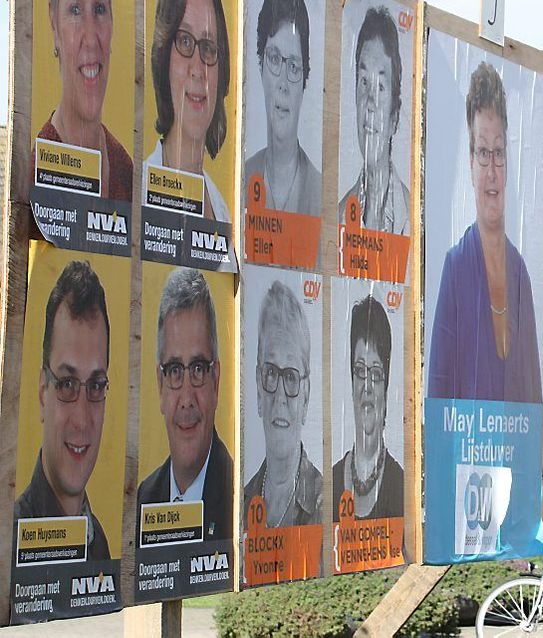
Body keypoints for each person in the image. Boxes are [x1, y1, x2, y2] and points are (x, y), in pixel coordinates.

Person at [427, 61, 542, 404]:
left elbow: (533, 400)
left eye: (499, 153)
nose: (492, 171)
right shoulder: (457, 267)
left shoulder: (519, 273)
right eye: (482, 153)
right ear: (470, 162)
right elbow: (437, 396)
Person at [15, 261, 112, 560]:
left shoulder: (98, 542)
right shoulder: (11, 538)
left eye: (96, 385)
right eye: (67, 384)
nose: (82, 420)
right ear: (43, 391)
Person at [138, 268, 233, 542]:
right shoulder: (145, 497)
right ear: (160, 385)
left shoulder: (236, 492)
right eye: (176, 371)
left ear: (216, 381)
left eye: (199, 369)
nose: (187, 398)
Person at [243, 281, 321, 528]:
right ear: (258, 386)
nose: (279, 396)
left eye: (290, 377)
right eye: (270, 373)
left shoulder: (324, 503)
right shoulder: (241, 500)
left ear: (306, 397)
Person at [36, 0, 132, 200]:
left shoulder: (125, 169)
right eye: (75, 10)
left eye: (99, 9)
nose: (90, 39)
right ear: (54, 25)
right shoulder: (35, 173)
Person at [147, 0, 231, 223]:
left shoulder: (222, 211)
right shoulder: (136, 193)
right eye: (185, 41)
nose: (198, 69)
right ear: (164, 58)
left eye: (208, 48)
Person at [244, 0, 322, 215]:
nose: (283, 84)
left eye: (294, 66)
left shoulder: (320, 194)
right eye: (275, 59)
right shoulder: (240, 182)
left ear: (305, 80)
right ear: (260, 66)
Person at [338, 6, 409, 235]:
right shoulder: (339, 215)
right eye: (364, 82)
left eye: (380, 86)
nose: (370, 102)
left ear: (395, 117)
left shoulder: (412, 219)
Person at [332, 294, 403, 520]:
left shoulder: (400, 486)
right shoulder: (329, 482)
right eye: (361, 370)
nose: (368, 386)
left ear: (386, 387)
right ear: (352, 383)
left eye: (376, 373)